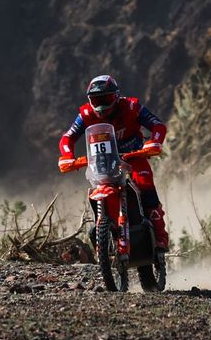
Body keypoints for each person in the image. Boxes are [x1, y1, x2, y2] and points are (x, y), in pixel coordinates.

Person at [58, 74, 169, 251]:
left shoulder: (131, 106)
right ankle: (104, 229)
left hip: (134, 156)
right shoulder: (86, 114)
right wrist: (67, 156)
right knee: (97, 188)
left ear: (116, 96)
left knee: (144, 183)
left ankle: (161, 235)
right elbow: (67, 138)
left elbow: (158, 125)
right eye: (96, 100)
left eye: (106, 99)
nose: (101, 105)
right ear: (89, 100)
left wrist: (154, 142)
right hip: (103, 161)